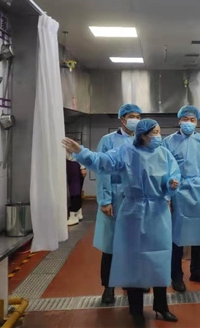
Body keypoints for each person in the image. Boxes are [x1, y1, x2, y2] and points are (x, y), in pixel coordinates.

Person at [62, 119, 180, 327]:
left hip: (158, 212)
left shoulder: (164, 154)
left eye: (159, 132)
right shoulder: (126, 152)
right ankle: (136, 311)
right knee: (133, 261)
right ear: (143, 135)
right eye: (154, 132)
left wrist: (171, 185)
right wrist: (80, 152)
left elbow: (173, 177)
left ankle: (161, 306)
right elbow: (101, 162)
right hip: (133, 212)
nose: (158, 136)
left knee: (160, 258)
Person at [163, 105, 200, 293]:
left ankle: (198, 270)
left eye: (192, 120)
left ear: (197, 122)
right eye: (185, 119)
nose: (188, 123)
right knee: (177, 235)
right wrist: (167, 195)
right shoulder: (168, 142)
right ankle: (176, 275)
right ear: (179, 120)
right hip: (179, 190)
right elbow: (164, 169)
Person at [95, 103, 143, 305]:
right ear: (122, 119)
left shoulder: (142, 140)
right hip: (115, 196)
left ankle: (131, 282)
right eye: (132, 116)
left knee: (134, 243)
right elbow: (102, 170)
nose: (136, 120)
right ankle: (108, 287)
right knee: (111, 245)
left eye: (138, 116)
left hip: (137, 198)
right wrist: (105, 200)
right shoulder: (108, 140)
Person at [66, 151, 87, 226]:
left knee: (75, 190)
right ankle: (78, 213)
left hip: (73, 164)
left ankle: (74, 215)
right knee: (75, 190)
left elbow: (78, 151)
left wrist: (83, 167)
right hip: (72, 164)